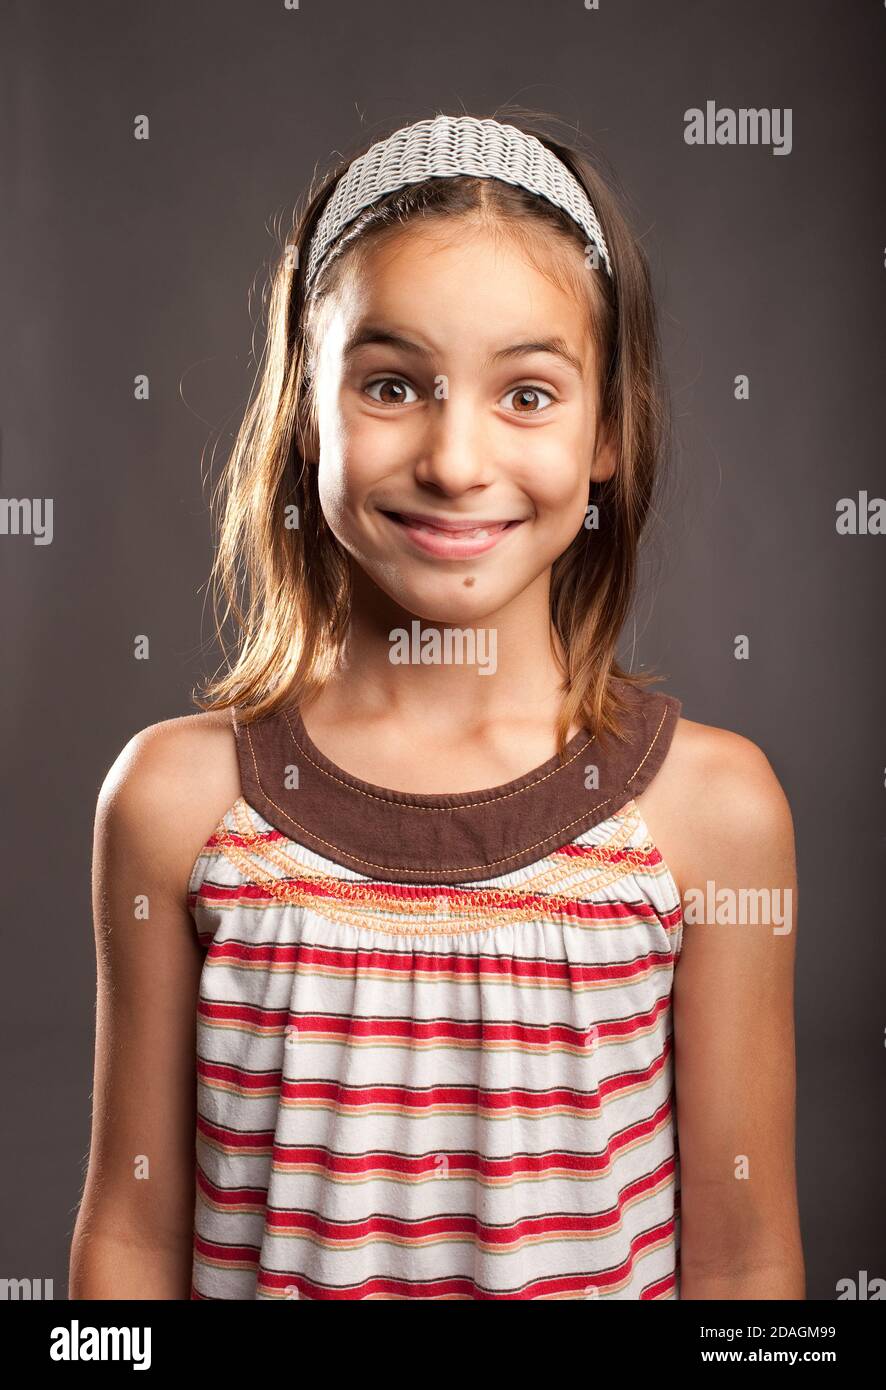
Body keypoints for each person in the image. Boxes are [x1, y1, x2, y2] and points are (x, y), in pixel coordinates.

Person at [70, 110, 803, 1300]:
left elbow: (748, 1259)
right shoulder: (174, 802)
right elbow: (131, 1240)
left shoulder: (712, 814)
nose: (457, 460)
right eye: (394, 385)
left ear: (607, 428)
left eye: (527, 393)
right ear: (307, 408)